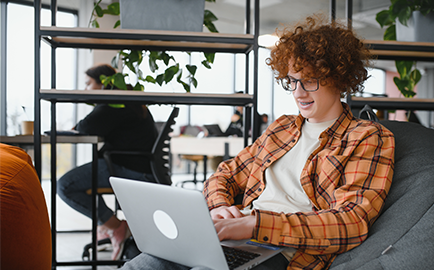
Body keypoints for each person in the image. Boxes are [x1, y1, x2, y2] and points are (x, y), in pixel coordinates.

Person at [120, 13, 395, 270]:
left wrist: (255, 225)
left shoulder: (367, 136)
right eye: (292, 81)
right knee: (142, 264)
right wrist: (220, 207)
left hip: (285, 251)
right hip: (238, 233)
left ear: (339, 78)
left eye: (310, 81)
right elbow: (225, 174)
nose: (298, 93)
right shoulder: (282, 128)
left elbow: (350, 222)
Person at [57, 64, 158, 260]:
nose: (85, 89)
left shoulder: (115, 102)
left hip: (127, 168)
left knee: (65, 186)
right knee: (82, 180)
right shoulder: (129, 99)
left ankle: (115, 227)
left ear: (103, 83)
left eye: (88, 84)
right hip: (139, 166)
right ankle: (106, 226)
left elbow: (85, 126)